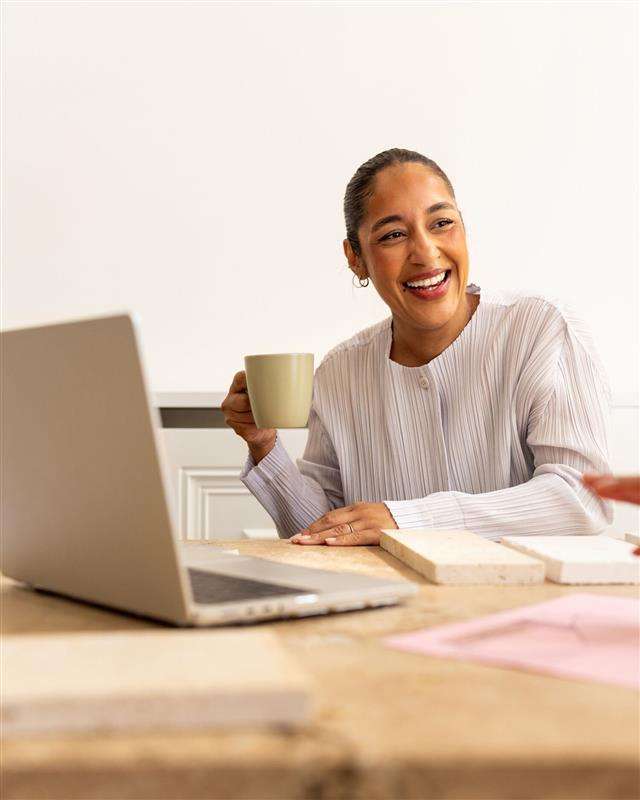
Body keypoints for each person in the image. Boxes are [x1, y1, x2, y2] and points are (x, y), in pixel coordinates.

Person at [222, 148, 612, 546]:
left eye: (442, 223)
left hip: (516, 603)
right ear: (355, 258)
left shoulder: (542, 330)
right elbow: (325, 530)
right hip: (389, 604)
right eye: (393, 235)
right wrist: (264, 446)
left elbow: (581, 498)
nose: (426, 253)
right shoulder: (339, 372)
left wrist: (409, 518)